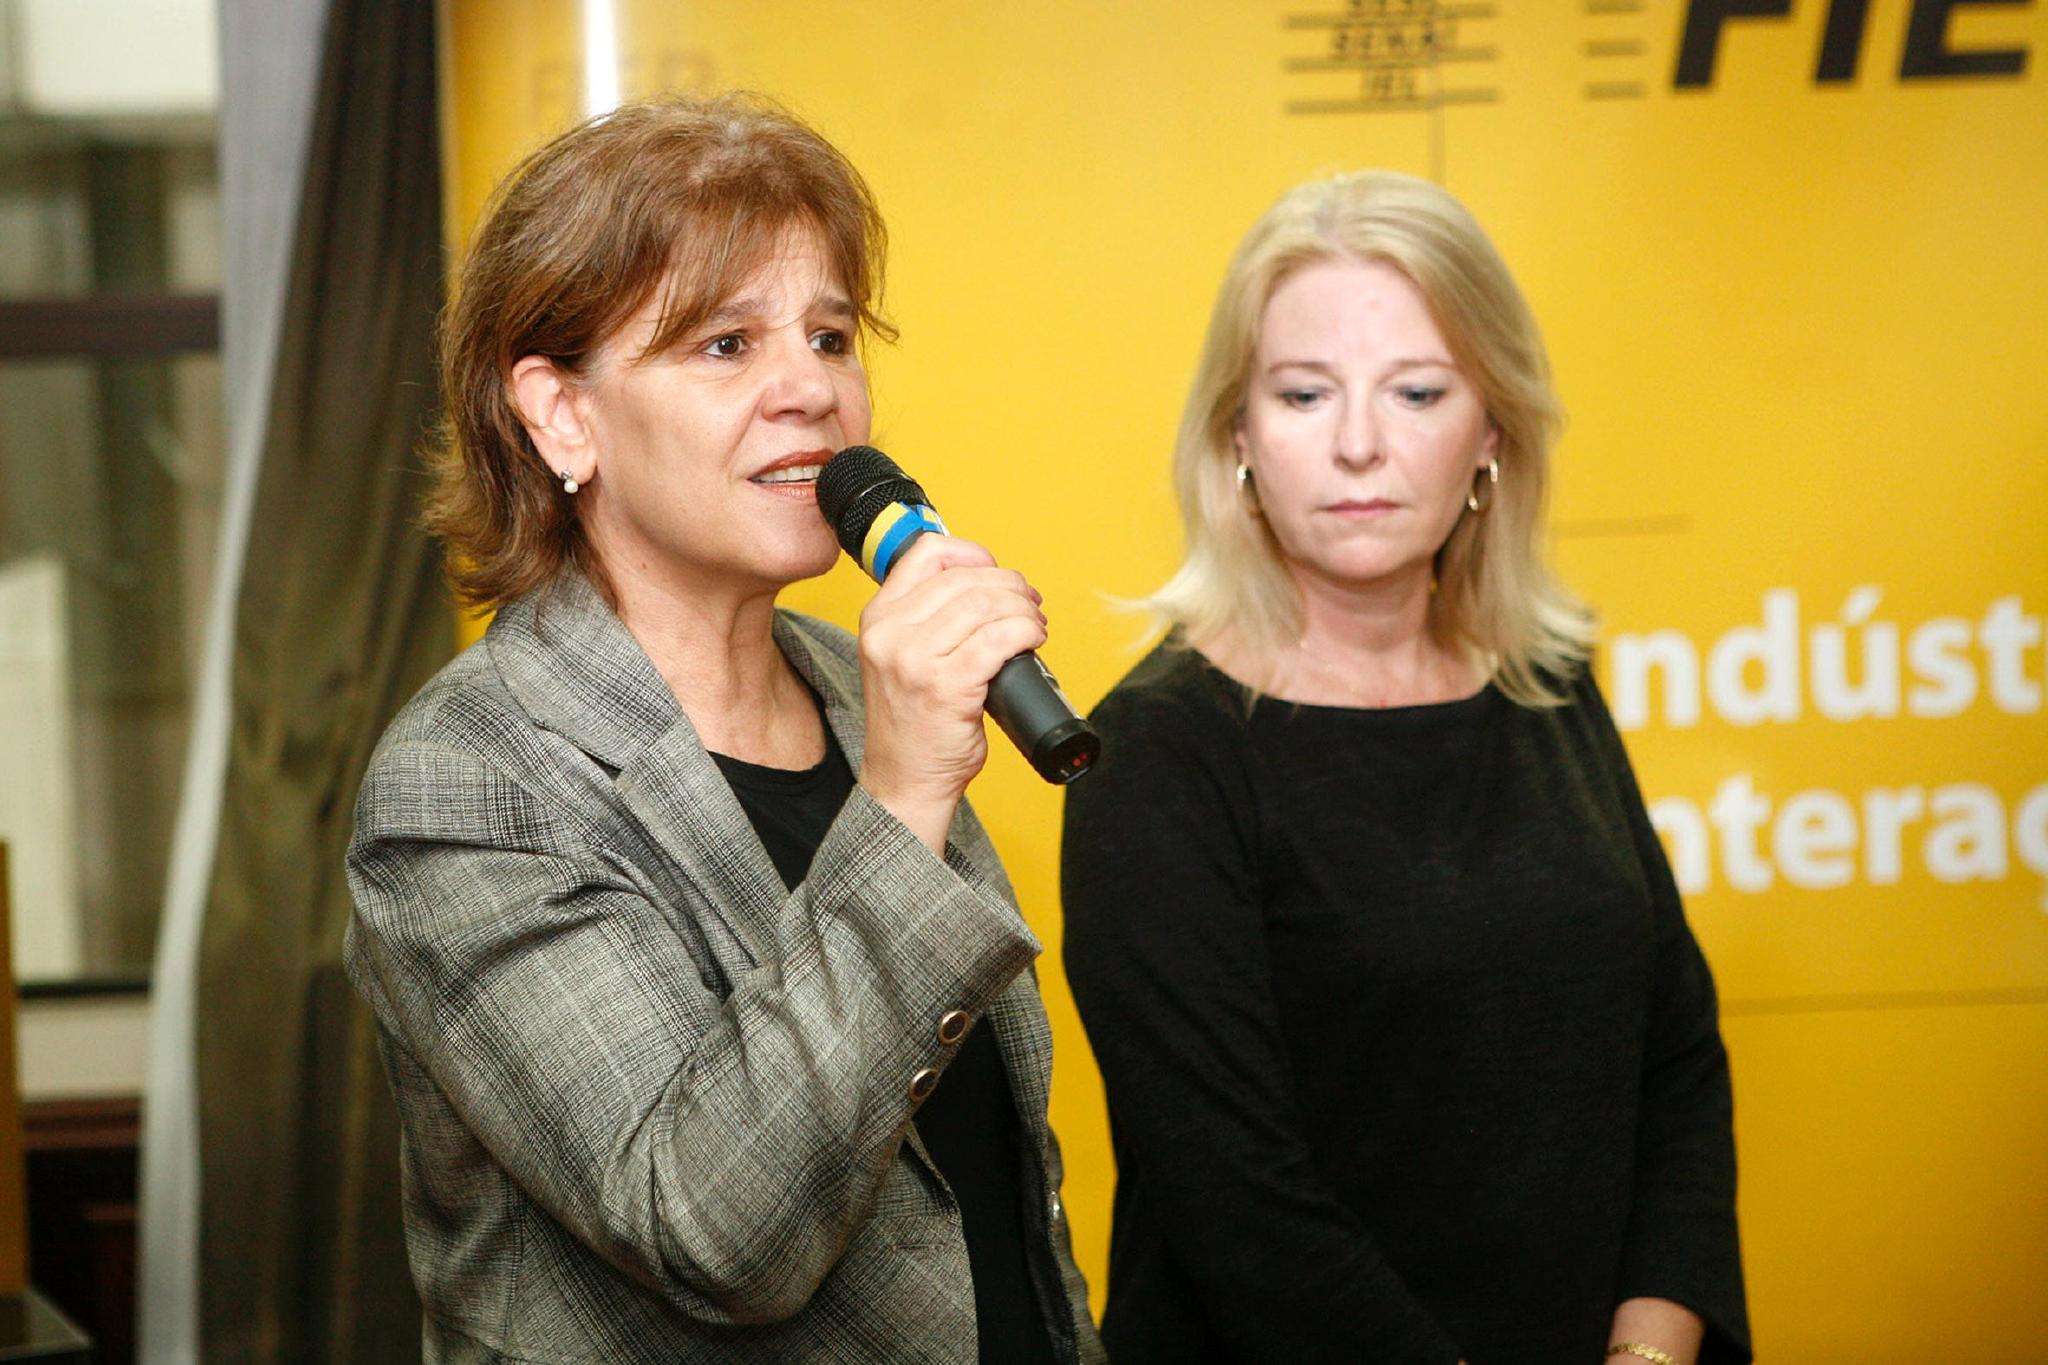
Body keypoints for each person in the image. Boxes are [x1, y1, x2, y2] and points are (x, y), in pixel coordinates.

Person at [343, 94, 1103, 1364]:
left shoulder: (857, 692)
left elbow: (986, 1189)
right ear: (561, 414)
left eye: (830, 336)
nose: (809, 389)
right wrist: (903, 798)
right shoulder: (470, 780)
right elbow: (708, 1233)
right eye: (724, 344)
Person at [1060, 170, 1750, 1365]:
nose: (1358, 444)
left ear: (1490, 432)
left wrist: (1648, 1350)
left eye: (1416, 391)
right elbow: (1238, 1204)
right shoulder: (1157, 751)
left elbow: (1674, 1057)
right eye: (1303, 393)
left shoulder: (1543, 683)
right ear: (1237, 434)